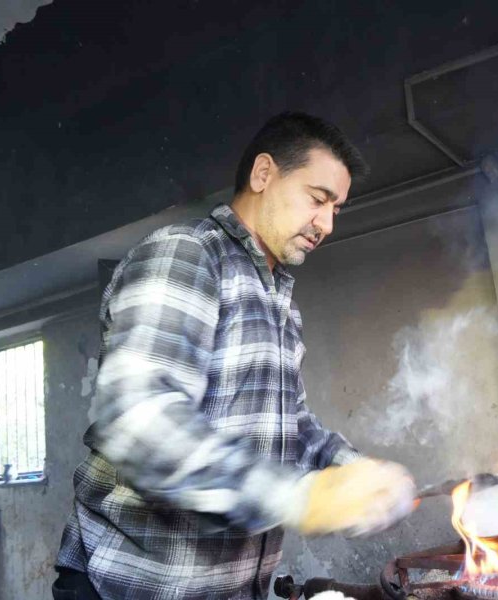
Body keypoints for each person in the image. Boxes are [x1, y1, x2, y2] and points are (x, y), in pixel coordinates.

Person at [53, 112, 417, 600]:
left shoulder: (279, 307)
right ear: (263, 174)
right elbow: (140, 420)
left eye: (337, 209)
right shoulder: (184, 256)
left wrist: (357, 473)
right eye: (318, 199)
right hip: (127, 589)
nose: (327, 223)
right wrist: (297, 498)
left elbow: (294, 429)